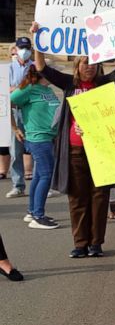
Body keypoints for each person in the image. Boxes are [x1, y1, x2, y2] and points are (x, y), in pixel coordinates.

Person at [31, 21, 115, 257]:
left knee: (99, 196)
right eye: (86, 62)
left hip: (101, 151)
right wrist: (37, 40)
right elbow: (41, 67)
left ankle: (96, 244)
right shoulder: (68, 84)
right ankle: (80, 244)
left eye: (95, 63)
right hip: (75, 150)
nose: (90, 67)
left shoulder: (104, 83)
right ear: (77, 65)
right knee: (77, 197)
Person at [9, 64, 59, 229]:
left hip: (49, 137)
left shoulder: (48, 91)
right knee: (46, 175)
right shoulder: (29, 89)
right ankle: (38, 215)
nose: (55, 74)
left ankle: (32, 211)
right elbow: (6, 102)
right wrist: (15, 128)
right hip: (38, 138)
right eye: (52, 71)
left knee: (39, 176)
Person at [6, 38, 34, 199]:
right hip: (15, 110)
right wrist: (23, 88)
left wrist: (18, 89)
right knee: (16, 150)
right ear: (15, 49)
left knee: (36, 147)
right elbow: (6, 89)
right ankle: (18, 185)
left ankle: (43, 183)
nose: (25, 51)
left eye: (27, 48)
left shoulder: (35, 66)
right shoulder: (9, 67)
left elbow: (41, 84)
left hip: (32, 110)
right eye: (22, 48)